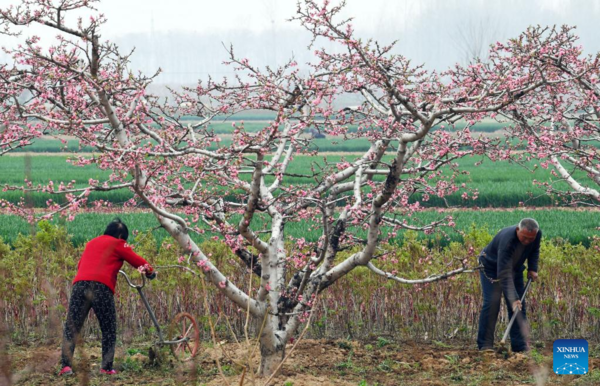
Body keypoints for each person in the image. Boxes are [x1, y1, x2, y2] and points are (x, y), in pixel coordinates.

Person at [59, 218, 156, 376]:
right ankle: (106, 367)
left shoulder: (91, 243)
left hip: (80, 285)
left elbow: (81, 265)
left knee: (72, 326)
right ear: (120, 236)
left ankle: (65, 366)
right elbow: (137, 260)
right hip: (101, 287)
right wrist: (150, 271)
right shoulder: (118, 243)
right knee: (108, 329)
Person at [477, 218, 540, 353]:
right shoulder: (508, 241)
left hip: (515, 268)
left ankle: (520, 346)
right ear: (517, 230)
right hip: (491, 268)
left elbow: (534, 250)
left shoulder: (536, 235)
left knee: (519, 307)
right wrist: (513, 299)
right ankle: (485, 345)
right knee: (492, 303)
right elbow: (504, 274)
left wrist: (532, 268)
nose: (528, 241)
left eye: (531, 238)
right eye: (524, 238)